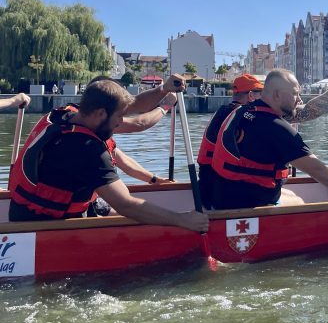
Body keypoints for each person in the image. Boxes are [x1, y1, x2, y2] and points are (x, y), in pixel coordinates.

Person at [7, 79, 208, 232]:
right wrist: (183, 220)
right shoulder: (86, 148)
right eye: (119, 116)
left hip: (24, 211)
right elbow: (126, 204)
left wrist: (163, 89)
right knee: (132, 217)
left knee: (115, 212)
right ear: (101, 113)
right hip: (44, 225)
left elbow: (135, 105)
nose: (121, 121)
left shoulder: (66, 114)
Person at [210, 69, 328, 209]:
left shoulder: (238, 112)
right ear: (275, 95)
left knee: (289, 192)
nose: (299, 100)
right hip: (245, 204)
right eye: (295, 94)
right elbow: (317, 169)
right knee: (302, 200)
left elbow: (307, 111)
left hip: (220, 191)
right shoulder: (275, 126)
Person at [197, 73, 264, 208]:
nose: (263, 98)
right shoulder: (243, 116)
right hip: (221, 195)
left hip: (207, 187)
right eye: (261, 94)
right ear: (251, 96)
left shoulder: (223, 111)